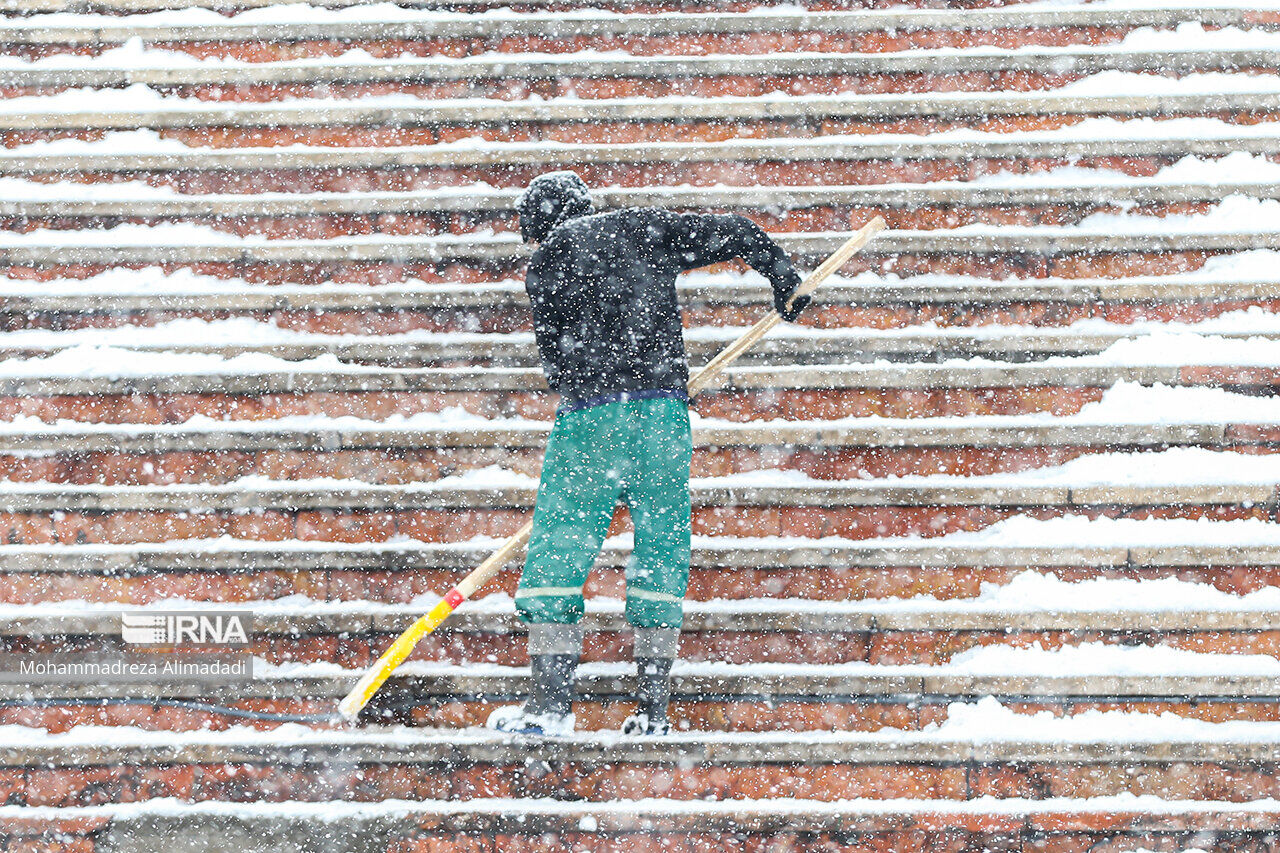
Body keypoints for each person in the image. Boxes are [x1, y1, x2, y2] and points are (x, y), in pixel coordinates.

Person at [486, 171, 809, 737]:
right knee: (662, 545)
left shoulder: (545, 264)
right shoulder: (644, 227)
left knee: (559, 551)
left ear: (539, 226)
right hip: (662, 417)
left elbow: (555, 366)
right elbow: (735, 229)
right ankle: (652, 710)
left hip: (590, 419)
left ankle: (549, 706)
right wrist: (782, 278)